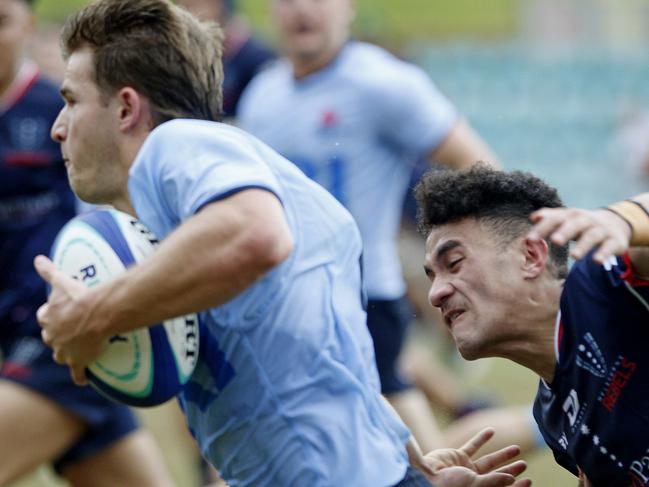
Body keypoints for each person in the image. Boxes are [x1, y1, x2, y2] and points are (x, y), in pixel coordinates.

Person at [33, 1, 531, 486]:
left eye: (71, 101)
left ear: (125, 107)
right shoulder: (202, 187)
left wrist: (95, 314)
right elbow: (317, 354)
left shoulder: (174, 144)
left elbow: (257, 235)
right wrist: (404, 465)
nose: (58, 127)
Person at [236, 0, 536, 453]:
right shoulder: (262, 97)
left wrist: (484, 248)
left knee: (407, 458)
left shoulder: (382, 83)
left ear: (348, 7)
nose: (303, 10)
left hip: (364, 301)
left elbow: (475, 162)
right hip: (285, 305)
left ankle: (539, 424)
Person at [0, 0, 174, 486]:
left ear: (28, 26)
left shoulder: (64, 112)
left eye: (1, 23)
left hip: (69, 334)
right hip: (28, 346)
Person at [414, 162, 649, 486]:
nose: (435, 294)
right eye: (432, 276)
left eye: (453, 264)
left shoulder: (608, 282)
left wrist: (620, 219)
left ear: (531, 256)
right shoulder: (551, 417)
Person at [177, 0, 275, 119]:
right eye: (184, 7)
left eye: (196, 5)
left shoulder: (257, 59)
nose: (189, 16)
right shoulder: (184, 59)